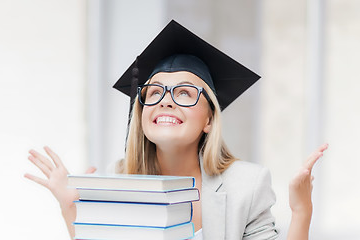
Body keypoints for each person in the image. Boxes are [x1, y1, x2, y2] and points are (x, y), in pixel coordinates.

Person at [24, 20, 328, 240]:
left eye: (184, 93)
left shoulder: (246, 186)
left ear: (209, 119)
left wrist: (302, 212)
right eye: (154, 92)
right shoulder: (120, 179)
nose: (165, 102)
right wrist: (71, 210)